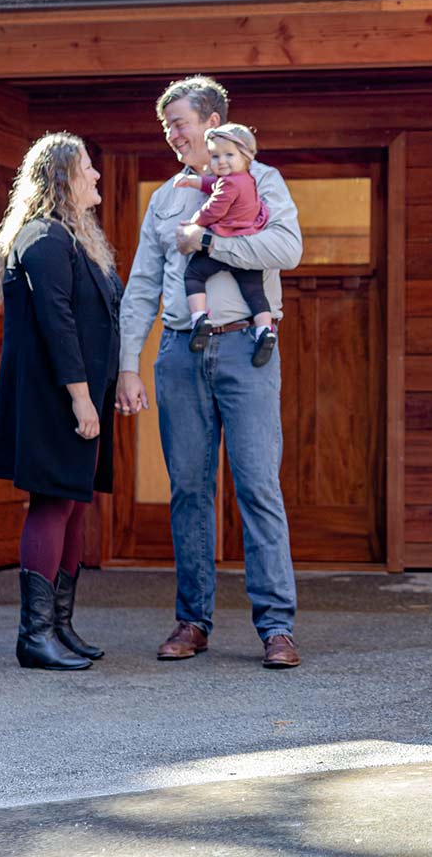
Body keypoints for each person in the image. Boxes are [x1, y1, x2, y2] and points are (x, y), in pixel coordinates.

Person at [116, 75, 302, 669]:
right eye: (167, 125)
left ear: (214, 118)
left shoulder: (263, 179)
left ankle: (276, 628)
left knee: (257, 487)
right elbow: (143, 283)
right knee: (189, 491)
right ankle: (192, 622)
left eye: (181, 122)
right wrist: (128, 364)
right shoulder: (166, 196)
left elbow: (286, 251)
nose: (173, 134)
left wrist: (210, 244)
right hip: (178, 352)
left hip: (248, 351)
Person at [0, 132, 122, 671]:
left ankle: (60, 627)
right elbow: (57, 324)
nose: (95, 176)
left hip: (79, 395)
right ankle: (34, 636)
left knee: (72, 503)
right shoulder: (43, 237)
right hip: (54, 397)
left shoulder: (74, 237)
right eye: (87, 167)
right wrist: (81, 399)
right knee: (51, 503)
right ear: (63, 177)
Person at [173, 123, 277, 367]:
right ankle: (265, 330)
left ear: (246, 156)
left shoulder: (229, 185)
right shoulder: (247, 179)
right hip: (246, 245)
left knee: (194, 274)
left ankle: (200, 319)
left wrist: (194, 223)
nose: (221, 162)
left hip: (223, 243)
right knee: (255, 292)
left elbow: (215, 208)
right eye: (215, 156)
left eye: (229, 155)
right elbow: (214, 183)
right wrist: (194, 182)